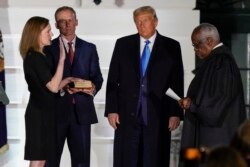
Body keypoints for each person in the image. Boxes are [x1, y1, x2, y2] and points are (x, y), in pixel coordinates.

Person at [105, 6, 184, 167]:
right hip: (126, 115)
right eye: (138, 22)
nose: (141, 25)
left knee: (154, 159)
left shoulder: (172, 46)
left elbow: (176, 82)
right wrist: (112, 109)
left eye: (145, 21)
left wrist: (175, 112)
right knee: (127, 159)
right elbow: (113, 80)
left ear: (155, 21)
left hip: (158, 115)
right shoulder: (123, 44)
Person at [178, 23, 246, 167]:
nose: (195, 50)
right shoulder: (216, 61)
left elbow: (215, 105)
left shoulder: (221, 62)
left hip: (215, 138)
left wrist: (192, 105)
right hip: (212, 135)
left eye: (197, 45)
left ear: (209, 41)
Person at [45, 6, 103, 167]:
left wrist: (91, 88)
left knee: (82, 162)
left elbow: (97, 78)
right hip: (55, 113)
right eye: (62, 21)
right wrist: (63, 87)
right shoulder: (47, 48)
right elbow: (45, 82)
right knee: (51, 161)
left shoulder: (89, 48)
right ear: (56, 25)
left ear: (76, 22)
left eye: (70, 20)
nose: (67, 24)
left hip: (82, 113)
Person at [19, 16, 71, 167]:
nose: (52, 35)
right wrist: (62, 59)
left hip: (43, 113)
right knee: (38, 158)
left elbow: (46, 87)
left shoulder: (37, 56)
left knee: (41, 158)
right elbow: (53, 87)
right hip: (39, 114)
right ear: (37, 33)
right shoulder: (35, 57)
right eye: (48, 31)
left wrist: (65, 82)